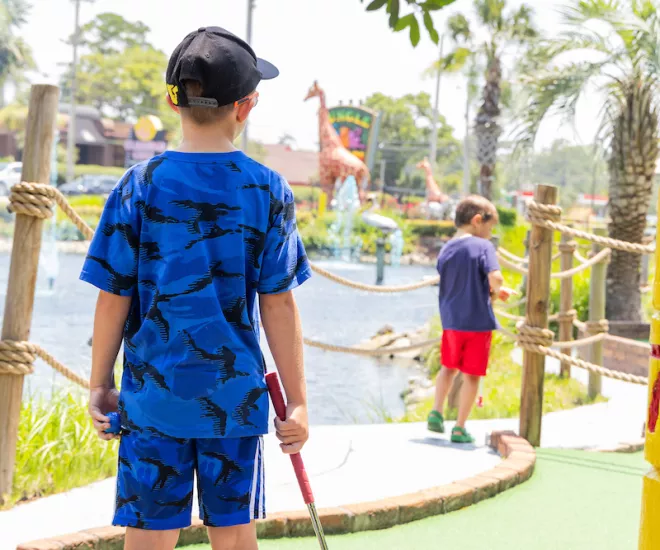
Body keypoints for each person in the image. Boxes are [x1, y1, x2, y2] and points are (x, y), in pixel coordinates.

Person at [80, 27, 312, 550]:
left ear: (172, 100)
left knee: (149, 535)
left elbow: (112, 295)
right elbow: (278, 301)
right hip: (233, 400)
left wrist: (99, 383)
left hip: (151, 399)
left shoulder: (138, 185)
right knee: (232, 534)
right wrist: (296, 401)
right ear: (246, 106)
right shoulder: (268, 189)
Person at [427, 195, 511, 444]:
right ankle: (460, 426)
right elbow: (495, 278)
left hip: (451, 322)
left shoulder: (447, 248)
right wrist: (498, 289)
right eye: (490, 227)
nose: (490, 233)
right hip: (477, 323)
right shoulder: (483, 246)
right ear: (477, 221)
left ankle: (436, 411)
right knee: (472, 375)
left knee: (448, 368)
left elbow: (459, 279)